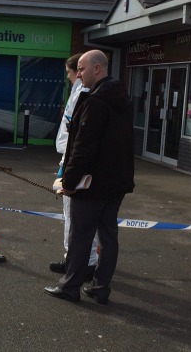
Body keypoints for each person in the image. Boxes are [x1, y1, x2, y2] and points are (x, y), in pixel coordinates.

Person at [44, 50, 135, 304]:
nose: (78, 74)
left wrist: (69, 183)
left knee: (80, 236)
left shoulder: (94, 103)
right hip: (116, 184)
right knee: (108, 236)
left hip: (92, 184)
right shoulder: (122, 100)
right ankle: (100, 288)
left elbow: (83, 148)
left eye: (82, 69)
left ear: (97, 69)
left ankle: (70, 286)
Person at [50, 53, 100, 280]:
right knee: (76, 217)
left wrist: (68, 172)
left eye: (74, 72)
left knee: (75, 217)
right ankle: (80, 259)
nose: (72, 77)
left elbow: (77, 138)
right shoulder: (79, 93)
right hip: (70, 159)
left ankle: (83, 263)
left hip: (74, 162)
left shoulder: (84, 94)